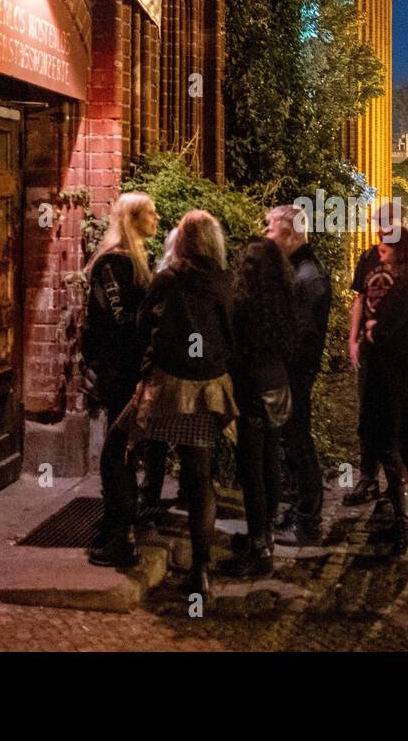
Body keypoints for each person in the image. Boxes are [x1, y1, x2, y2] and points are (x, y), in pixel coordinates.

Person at [132, 210, 238, 601]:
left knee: (131, 448)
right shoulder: (225, 282)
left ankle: (132, 533)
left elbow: (144, 325)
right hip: (207, 388)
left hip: (169, 386)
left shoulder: (168, 280)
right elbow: (232, 334)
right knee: (199, 478)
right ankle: (201, 569)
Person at [83, 192, 160, 568]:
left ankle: (118, 528)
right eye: (150, 213)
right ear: (131, 218)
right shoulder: (113, 265)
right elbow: (117, 321)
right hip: (119, 373)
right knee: (117, 453)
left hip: (130, 373)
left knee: (121, 452)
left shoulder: (134, 262)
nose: (157, 218)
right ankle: (121, 534)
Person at [359, 227, 408, 560]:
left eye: (386, 246)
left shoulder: (404, 289)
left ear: (399, 251)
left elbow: (384, 330)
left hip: (394, 378)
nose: (380, 249)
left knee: (393, 448)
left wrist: (371, 329)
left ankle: (407, 529)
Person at [219, 238, 295, 578]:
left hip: (252, 389)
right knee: (270, 462)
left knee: (252, 470)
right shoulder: (286, 299)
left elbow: (234, 348)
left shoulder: (244, 303)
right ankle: (265, 537)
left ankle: (258, 546)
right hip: (278, 385)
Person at [265, 206, 331, 543]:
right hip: (292, 373)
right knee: (293, 442)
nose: (266, 234)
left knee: (299, 442)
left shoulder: (307, 276)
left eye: (271, 228)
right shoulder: (300, 270)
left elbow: (302, 335)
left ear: (290, 234)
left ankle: (307, 521)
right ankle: (298, 511)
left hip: (295, 375)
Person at [344, 204, 402, 506]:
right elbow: (360, 298)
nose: (382, 229)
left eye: (388, 224)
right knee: (367, 411)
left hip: (395, 350)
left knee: (393, 413)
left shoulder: (407, 260)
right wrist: (353, 338)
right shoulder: (368, 257)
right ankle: (368, 476)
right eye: (379, 224)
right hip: (370, 349)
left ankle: (398, 481)